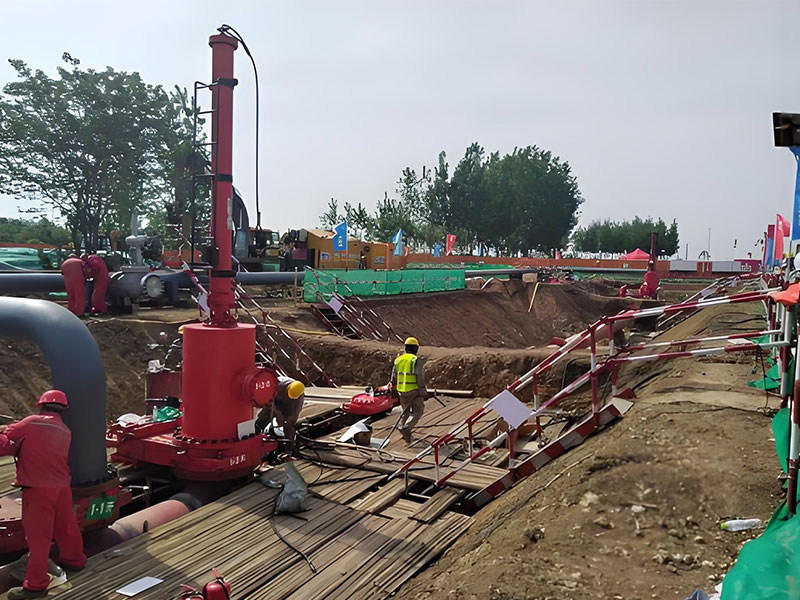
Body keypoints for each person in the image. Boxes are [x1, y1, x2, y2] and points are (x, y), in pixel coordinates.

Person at [0, 390, 86, 599]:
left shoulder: (31, 422)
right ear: (63, 409)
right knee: (66, 526)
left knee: (39, 538)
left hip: (38, 489)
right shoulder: (64, 430)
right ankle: (75, 559)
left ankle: (35, 585)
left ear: (41, 405)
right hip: (62, 486)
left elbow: (6, 441)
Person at [389, 336, 429, 444]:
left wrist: (394, 389)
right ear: (416, 348)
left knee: (405, 411)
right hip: (414, 391)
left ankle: (401, 426)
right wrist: (422, 390)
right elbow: (419, 376)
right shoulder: (415, 360)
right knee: (418, 411)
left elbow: (393, 378)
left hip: (402, 391)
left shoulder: (398, 360)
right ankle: (406, 428)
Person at [255, 377, 305, 448]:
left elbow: (294, 414)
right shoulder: (276, 384)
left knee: (290, 423)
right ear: (287, 388)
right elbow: (267, 402)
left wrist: (289, 421)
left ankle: (290, 446)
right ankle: (256, 433)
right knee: (266, 414)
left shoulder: (298, 396)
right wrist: (278, 414)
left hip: (291, 402)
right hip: (274, 400)